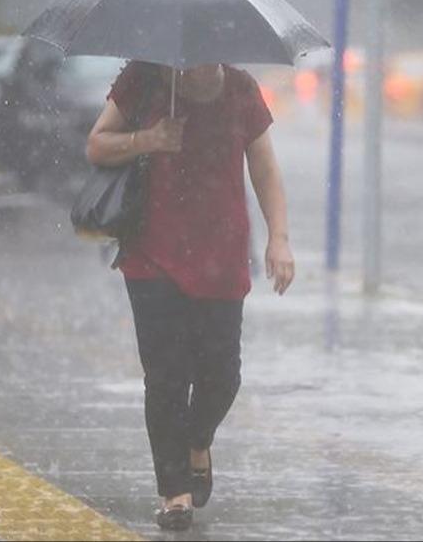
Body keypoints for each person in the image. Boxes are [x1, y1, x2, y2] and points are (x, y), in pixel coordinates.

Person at [86, 60, 295, 531]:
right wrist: (149, 139)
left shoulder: (241, 89)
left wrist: (278, 237)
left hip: (221, 254)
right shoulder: (144, 79)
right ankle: (173, 491)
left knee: (223, 376)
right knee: (166, 377)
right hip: (152, 254)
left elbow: (263, 167)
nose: (201, 60)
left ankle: (197, 441)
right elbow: (97, 144)